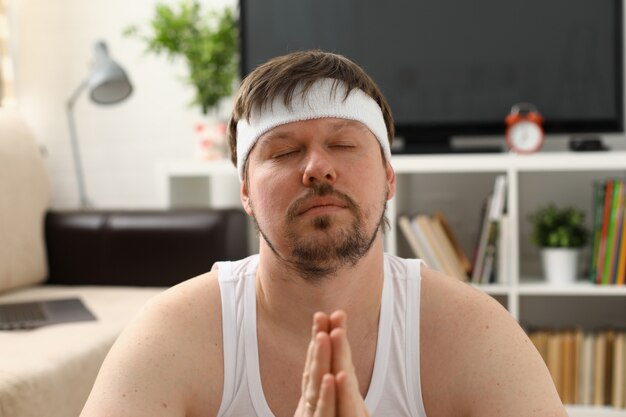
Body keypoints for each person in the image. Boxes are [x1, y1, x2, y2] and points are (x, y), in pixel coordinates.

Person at [80, 50, 567, 417]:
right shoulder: (173, 336)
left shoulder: (473, 333)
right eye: (284, 150)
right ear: (246, 190)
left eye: (343, 143)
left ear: (389, 176)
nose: (317, 168)